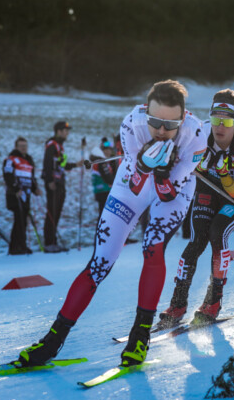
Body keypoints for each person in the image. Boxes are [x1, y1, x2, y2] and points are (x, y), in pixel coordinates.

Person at [17, 80, 206, 369]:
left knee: (152, 249)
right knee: (100, 262)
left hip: (174, 191)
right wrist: (144, 165)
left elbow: (168, 194)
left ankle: (140, 333)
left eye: (171, 125)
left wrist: (163, 173)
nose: (163, 131)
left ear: (184, 118)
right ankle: (54, 338)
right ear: (146, 113)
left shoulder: (195, 135)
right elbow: (133, 184)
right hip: (133, 184)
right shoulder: (132, 123)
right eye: (155, 123)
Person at [159, 89, 234, 327]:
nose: (219, 127)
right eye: (215, 120)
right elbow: (179, 160)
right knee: (196, 241)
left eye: (225, 122)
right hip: (207, 189)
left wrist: (223, 173)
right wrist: (193, 165)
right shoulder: (200, 133)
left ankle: (213, 300)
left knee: (218, 234)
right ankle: (177, 303)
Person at [42, 121, 82, 252]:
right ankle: (49, 242)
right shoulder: (52, 145)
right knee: (52, 213)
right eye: (65, 131)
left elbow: (61, 165)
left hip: (60, 183)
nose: (67, 133)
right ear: (58, 131)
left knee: (57, 212)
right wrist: (49, 181)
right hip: (54, 183)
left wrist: (76, 165)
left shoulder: (60, 146)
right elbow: (47, 163)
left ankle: (53, 241)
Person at [3, 137, 43, 255]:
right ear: (16, 147)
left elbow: (32, 177)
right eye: (21, 146)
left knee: (24, 220)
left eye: (25, 145)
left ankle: (22, 245)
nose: (23, 148)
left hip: (27, 194)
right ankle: (15, 247)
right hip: (15, 194)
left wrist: (35, 189)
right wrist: (15, 189)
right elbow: (7, 175)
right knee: (18, 220)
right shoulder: (11, 159)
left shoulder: (29, 160)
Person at [89, 137, 119, 216]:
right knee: (103, 215)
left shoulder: (104, 160)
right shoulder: (101, 162)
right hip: (103, 191)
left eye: (110, 150)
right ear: (103, 151)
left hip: (103, 191)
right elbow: (108, 178)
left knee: (104, 215)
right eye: (107, 150)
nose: (109, 152)